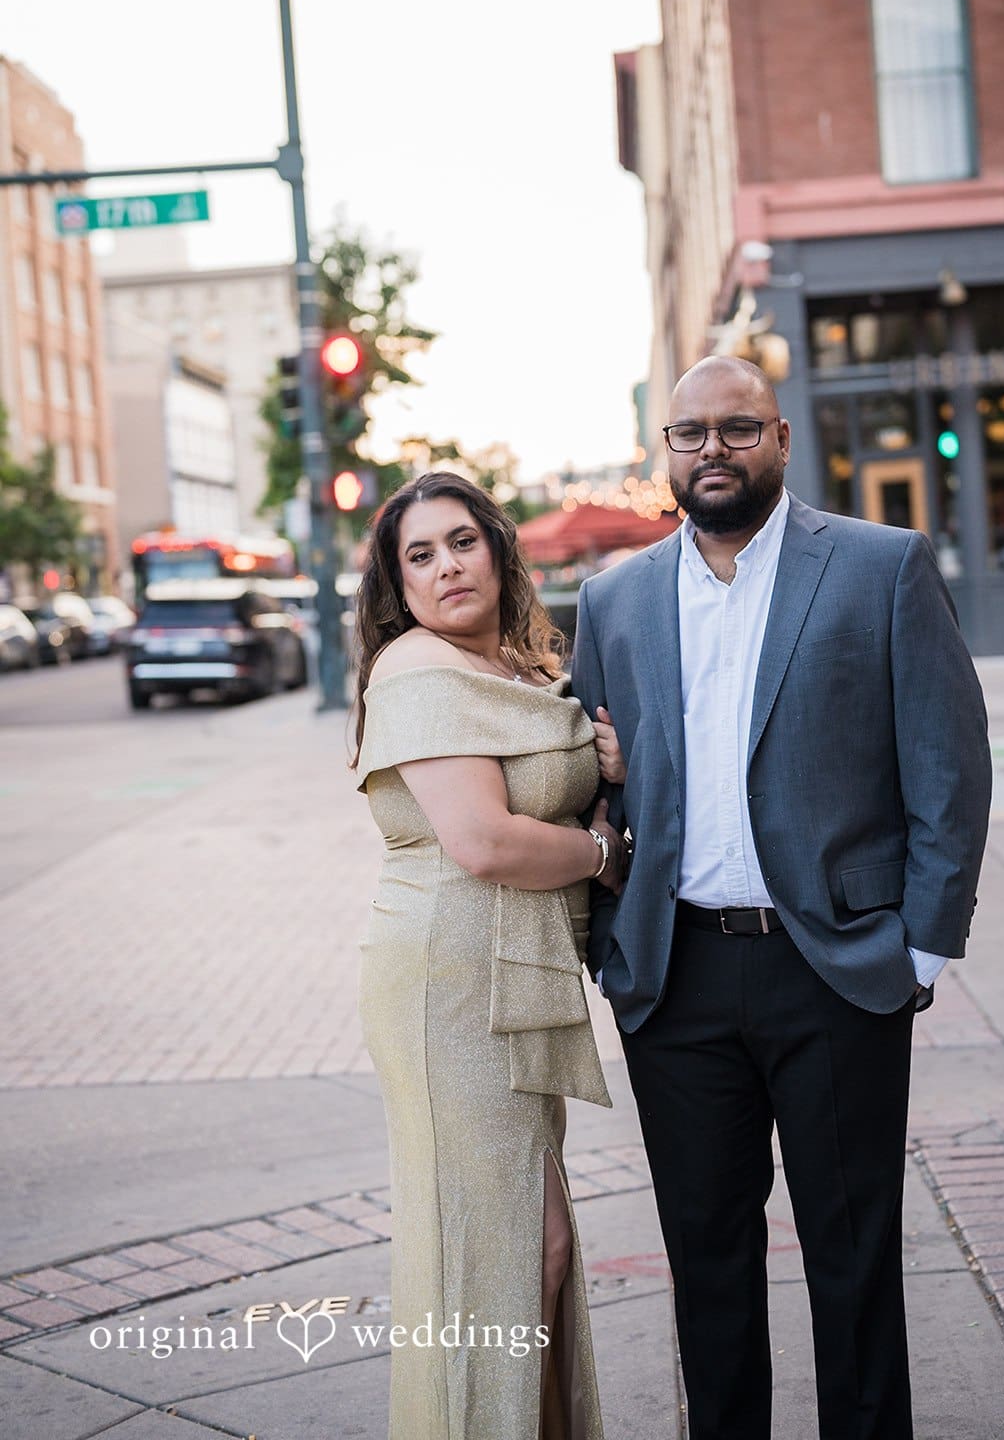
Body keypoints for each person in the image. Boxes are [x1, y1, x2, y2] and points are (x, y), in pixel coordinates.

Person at [570, 356, 993, 1440]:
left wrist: (920, 948)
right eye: (688, 433)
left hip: (836, 965)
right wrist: (606, 931)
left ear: (780, 439)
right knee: (705, 1258)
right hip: (676, 975)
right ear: (662, 452)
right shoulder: (611, 599)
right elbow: (589, 783)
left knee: (851, 1252)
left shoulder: (876, 566)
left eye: (735, 428)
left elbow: (947, 763)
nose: (711, 449)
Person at [352, 471, 628, 1440]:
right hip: (450, 986)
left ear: (496, 550)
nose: (445, 565)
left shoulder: (513, 666)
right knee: (499, 1252)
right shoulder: (417, 669)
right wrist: (603, 854)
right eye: (417, 554)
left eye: (459, 541)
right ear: (397, 584)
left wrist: (604, 762)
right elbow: (485, 841)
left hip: (511, 976)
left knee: (533, 1247)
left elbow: (547, 783)